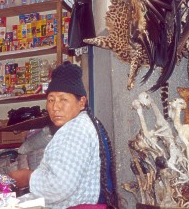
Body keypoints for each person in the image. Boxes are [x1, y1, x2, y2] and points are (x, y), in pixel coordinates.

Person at [9, 61, 117, 209]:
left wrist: (28, 177)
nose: (55, 107)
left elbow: (59, 186)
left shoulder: (75, 129)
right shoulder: (84, 123)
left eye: (63, 99)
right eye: (50, 100)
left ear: (81, 102)